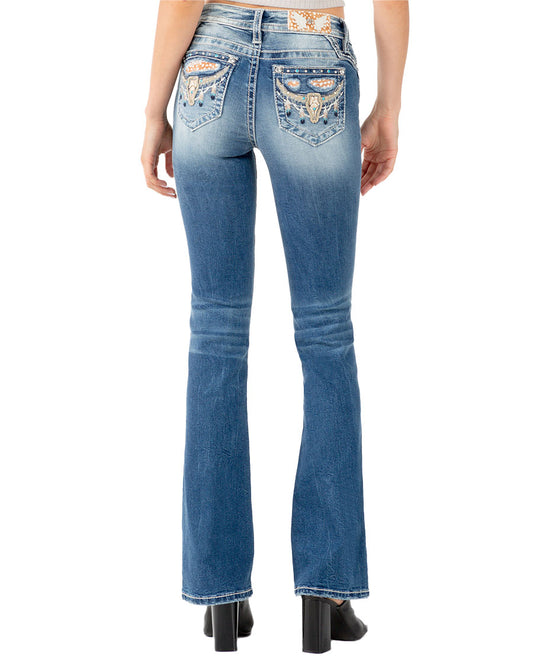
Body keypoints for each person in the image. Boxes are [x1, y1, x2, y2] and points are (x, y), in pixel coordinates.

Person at [141, 0, 409, 653]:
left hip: (210, 64)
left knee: (215, 330)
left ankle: (221, 596)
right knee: (326, 334)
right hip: (313, 57)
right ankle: (326, 591)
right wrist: (388, 106)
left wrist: (153, 112)